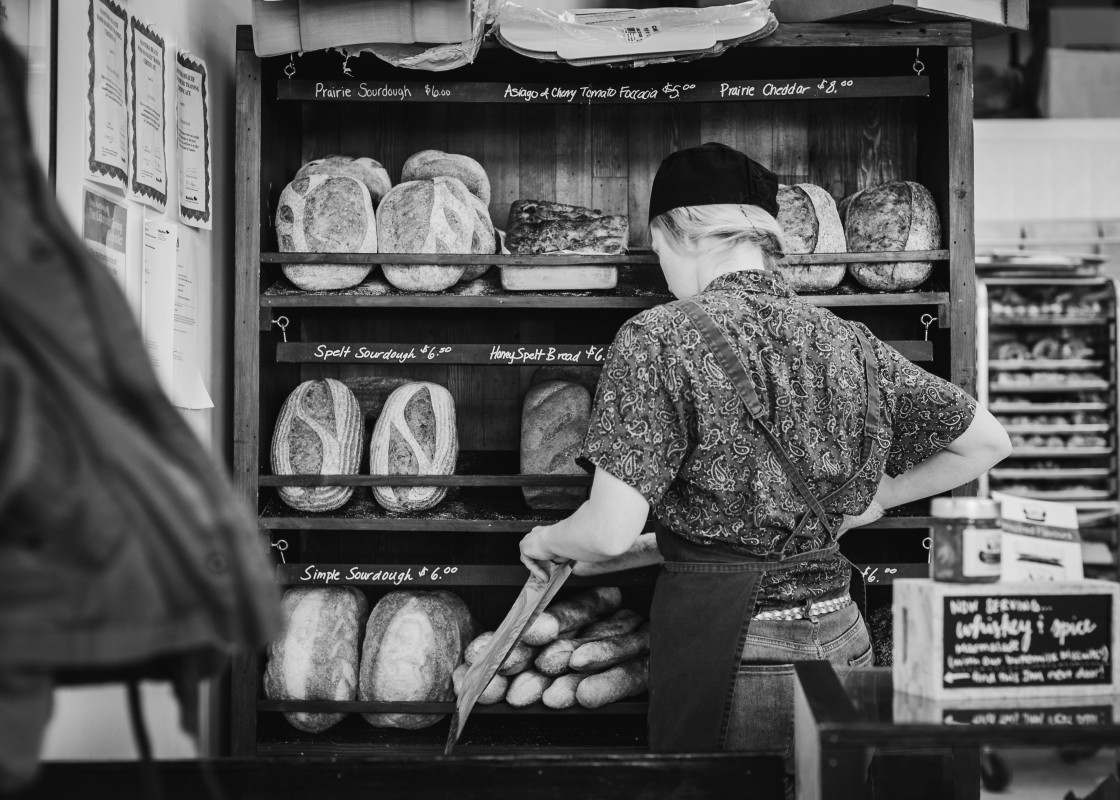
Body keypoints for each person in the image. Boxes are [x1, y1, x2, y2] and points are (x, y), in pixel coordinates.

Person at [519, 143, 1011, 764]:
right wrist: (878, 497)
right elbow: (988, 441)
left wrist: (547, 539)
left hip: (736, 653)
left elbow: (609, 533)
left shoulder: (658, 335)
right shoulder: (846, 337)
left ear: (676, 233)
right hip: (844, 639)